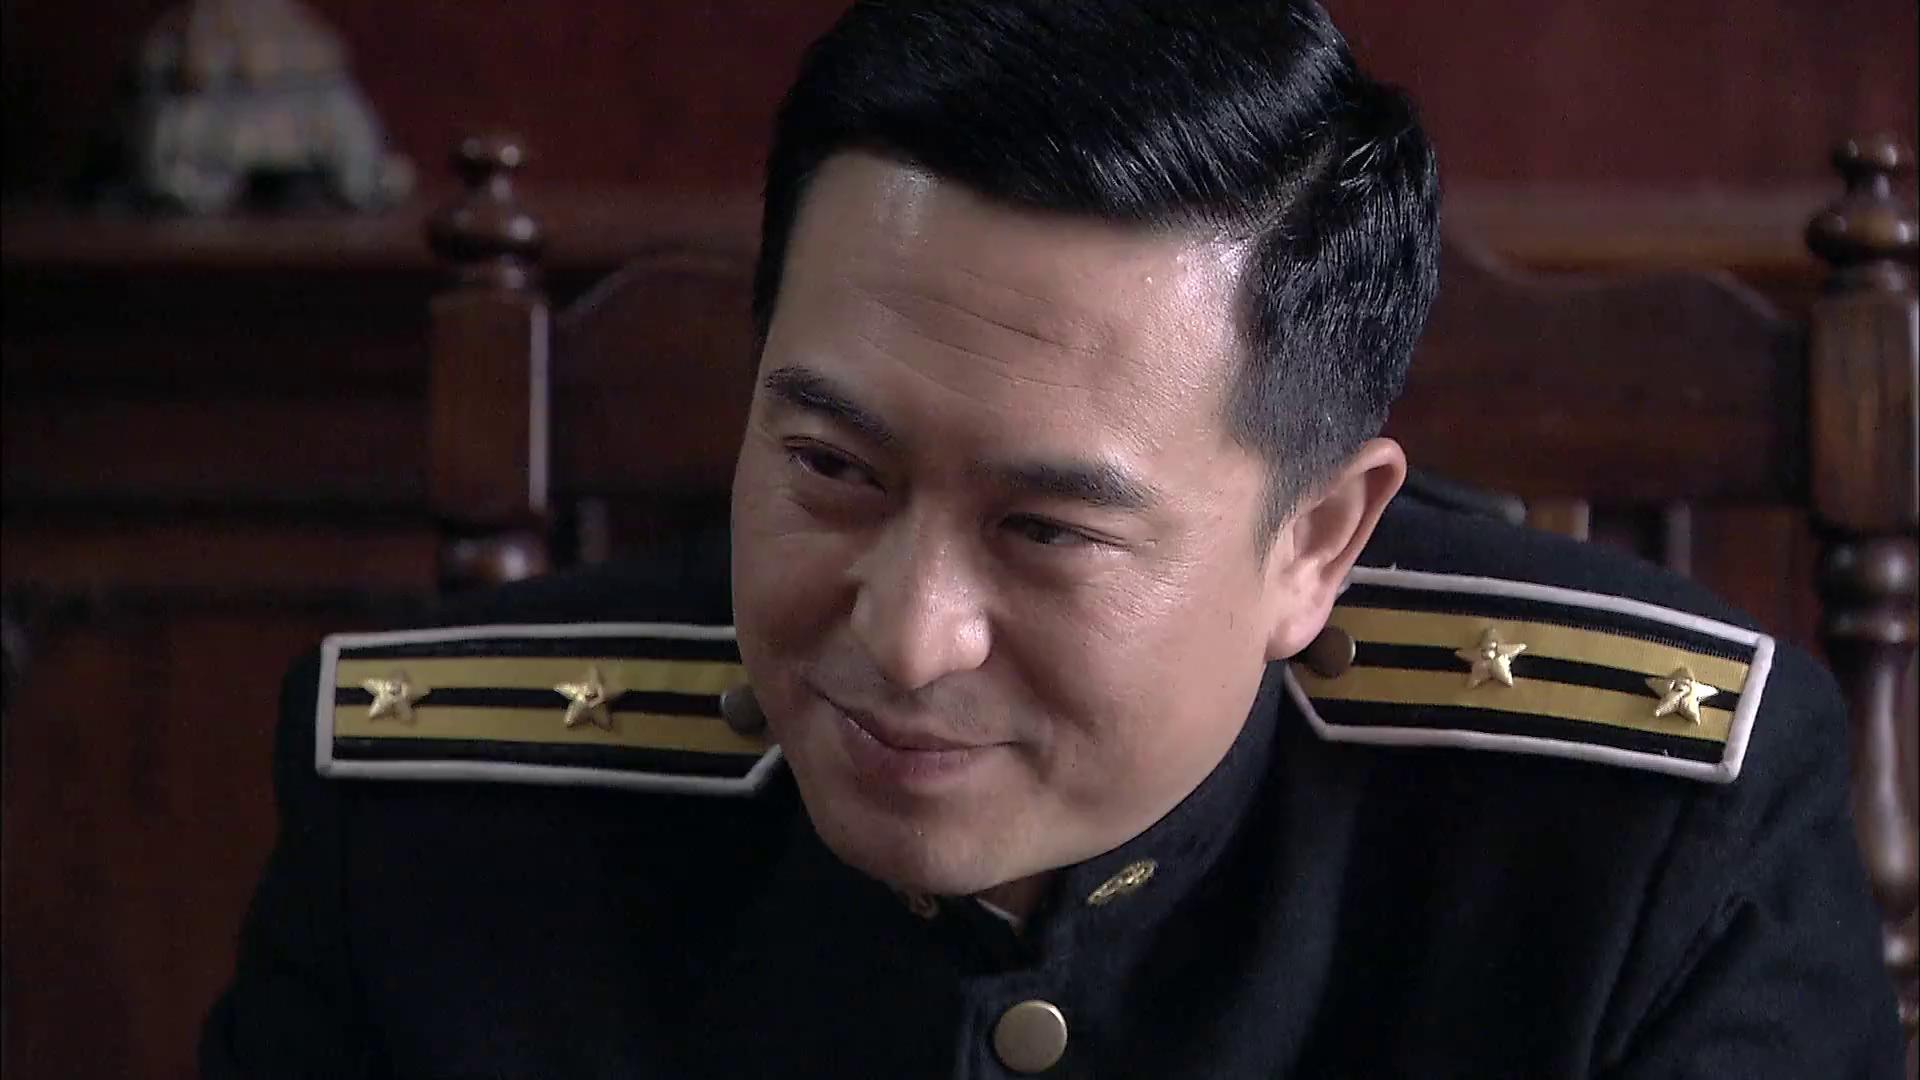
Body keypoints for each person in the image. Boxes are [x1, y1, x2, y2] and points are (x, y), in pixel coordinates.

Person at [200, 1, 1904, 1076]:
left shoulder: (1646, 845)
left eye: (1045, 529)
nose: (904, 633)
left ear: (1317, 541)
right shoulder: (430, 817)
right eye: (831, 466)